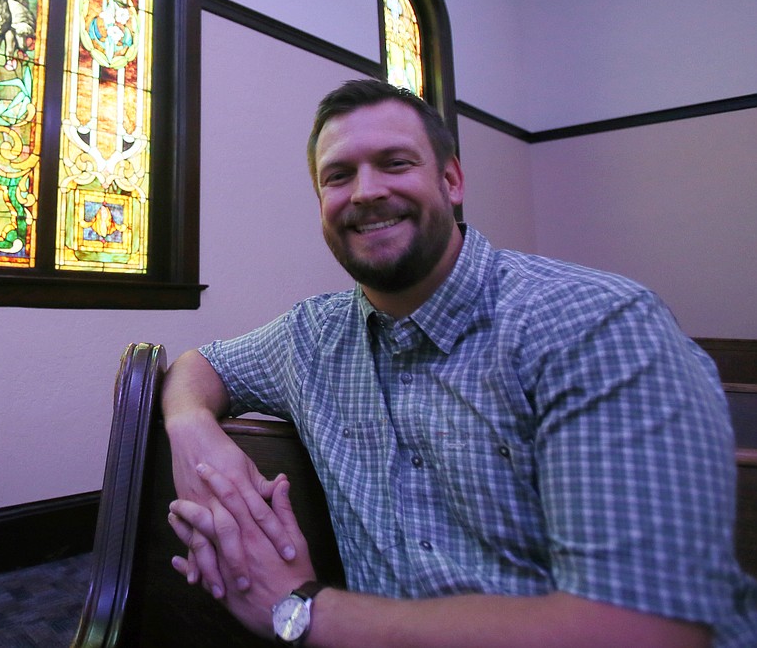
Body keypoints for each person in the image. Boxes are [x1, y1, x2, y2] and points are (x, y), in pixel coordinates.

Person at [163, 78, 757, 647]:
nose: (365, 192)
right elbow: (198, 365)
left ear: (451, 180)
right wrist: (191, 428)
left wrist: (301, 608)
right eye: (338, 176)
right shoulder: (312, 337)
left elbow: (642, 631)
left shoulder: (598, 325)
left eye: (395, 163)